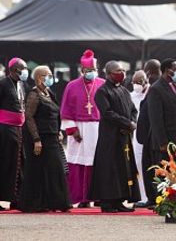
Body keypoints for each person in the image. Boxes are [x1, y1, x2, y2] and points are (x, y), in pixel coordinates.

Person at [89, 61, 140, 213]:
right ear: (109, 73)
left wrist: (132, 123)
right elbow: (107, 113)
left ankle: (119, 200)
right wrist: (126, 124)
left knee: (122, 168)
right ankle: (107, 202)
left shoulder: (124, 90)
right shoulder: (102, 92)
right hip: (110, 137)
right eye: (119, 70)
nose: (122, 73)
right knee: (109, 169)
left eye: (124, 70)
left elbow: (133, 110)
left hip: (124, 137)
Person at [19, 66, 71, 212]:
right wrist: (36, 139)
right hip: (40, 138)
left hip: (52, 135)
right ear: (40, 77)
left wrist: (58, 131)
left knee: (52, 169)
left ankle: (50, 202)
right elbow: (29, 117)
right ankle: (36, 202)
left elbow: (55, 114)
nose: (50, 78)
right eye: (48, 75)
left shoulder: (49, 93)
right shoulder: (34, 95)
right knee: (43, 169)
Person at [60, 50, 105, 208]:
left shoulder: (102, 84)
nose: (90, 73)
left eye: (93, 71)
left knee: (98, 163)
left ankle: (98, 196)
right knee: (79, 163)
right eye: (87, 71)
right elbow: (65, 110)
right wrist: (72, 130)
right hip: (79, 129)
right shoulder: (71, 86)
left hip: (98, 129)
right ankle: (82, 198)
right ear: (82, 70)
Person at [146, 59, 176, 167]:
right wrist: (163, 142)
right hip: (165, 144)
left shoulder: (173, 85)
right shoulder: (156, 89)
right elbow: (156, 118)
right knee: (165, 177)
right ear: (168, 71)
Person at [0, 58, 28, 211]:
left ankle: (16, 198)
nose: (25, 71)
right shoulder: (3, 84)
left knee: (19, 164)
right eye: (22, 68)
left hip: (19, 129)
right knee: (5, 163)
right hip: (4, 129)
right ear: (13, 69)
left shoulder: (21, 84)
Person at [129, 70, 148, 205]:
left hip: (149, 134)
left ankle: (149, 196)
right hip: (136, 135)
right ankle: (141, 196)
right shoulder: (130, 96)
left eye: (140, 81)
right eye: (135, 82)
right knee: (138, 164)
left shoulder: (151, 93)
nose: (137, 85)